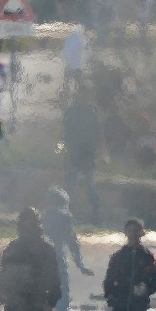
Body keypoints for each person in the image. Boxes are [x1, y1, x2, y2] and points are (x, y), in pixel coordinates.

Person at [42, 186, 94, 311]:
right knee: (63, 303)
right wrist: (80, 264)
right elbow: (72, 242)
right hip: (58, 263)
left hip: (40, 264)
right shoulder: (65, 217)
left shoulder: (41, 217)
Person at [62, 86, 102, 224]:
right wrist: (62, 152)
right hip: (73, 154)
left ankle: (97, 216)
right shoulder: (71, 112)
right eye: (81, 94)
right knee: (70, 186)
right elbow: (65, 134)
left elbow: (99, 133)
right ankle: (68, 215)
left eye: (85, 94)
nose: (83, 97)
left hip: (88, 154)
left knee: (90, 185)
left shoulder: (93, 111)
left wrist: (100, 151)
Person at [61, 30, 88, 98]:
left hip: (70, 66)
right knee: (80, 83)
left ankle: (66, 94)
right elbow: (84, 50)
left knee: (67, 83)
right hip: (77, 67)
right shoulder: (80, 40)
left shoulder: (69, 40)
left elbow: (65, 53)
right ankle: (79, 95)